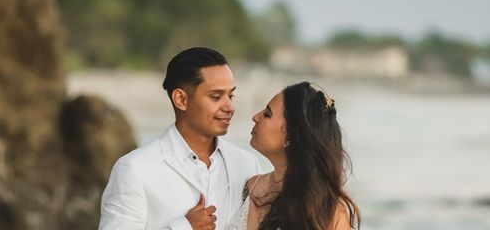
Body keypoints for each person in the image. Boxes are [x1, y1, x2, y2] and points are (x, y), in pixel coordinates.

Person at [99, 47, 261, 230]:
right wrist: (185, 227)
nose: (230, 106)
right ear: (181, 100)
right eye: (216, 97)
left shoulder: (247, 165)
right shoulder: (134, 169)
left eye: (230, 95)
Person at [229, 81, 360, 230]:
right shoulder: (248, 188)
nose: (255, 117)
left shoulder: (327, 211)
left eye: (267, 114)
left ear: (291, 136)